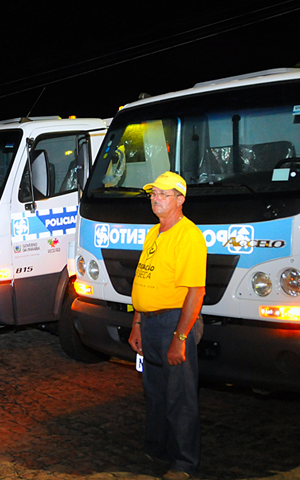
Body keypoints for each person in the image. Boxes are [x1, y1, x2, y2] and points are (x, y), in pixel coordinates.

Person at [128, 171, 207, 480]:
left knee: (181, 396)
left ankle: (184, 463)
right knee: (156, 391)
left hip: (174, 322)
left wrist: (181, 337)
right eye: (152, 193)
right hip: (149, 323)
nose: (155, 198)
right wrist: (136, 321)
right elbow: (142, 279)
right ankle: (159, 448)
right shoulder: (154, 233)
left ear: (180, 200)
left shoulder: (188, 236)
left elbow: (195, 292)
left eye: (163, 193)